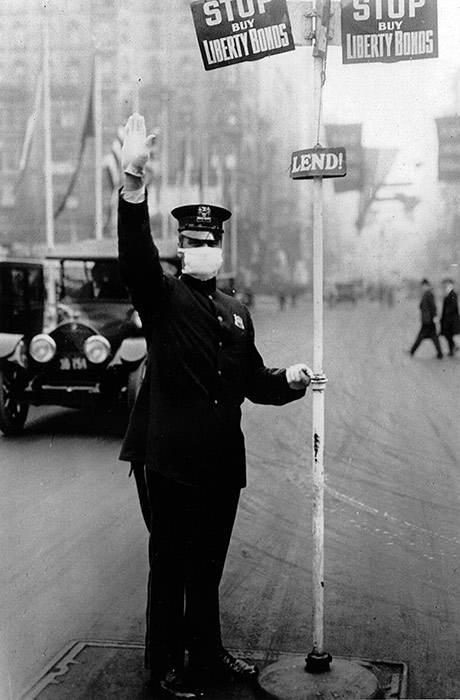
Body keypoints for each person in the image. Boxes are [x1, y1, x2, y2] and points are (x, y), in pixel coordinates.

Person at [118, 114, 313, 698]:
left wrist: (291, 379)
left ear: (221, 248)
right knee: (170, 567)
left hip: (221, 463)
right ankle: (167, 663)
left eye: (211, 242)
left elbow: (252, 379)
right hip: (171, 462)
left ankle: (208, 651)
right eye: (193, 242)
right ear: (180, 247)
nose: (202, 249)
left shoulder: (235, 309)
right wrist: (133, 181)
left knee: (208, 568)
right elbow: (133, 255)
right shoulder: (164, 297)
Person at [408, 278, 443, 359]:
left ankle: (412, 351)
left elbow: (433, 307)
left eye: (424, 286)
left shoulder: (428, 294)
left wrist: (434, 316)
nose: (422, 287)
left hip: (428, 320)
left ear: (427, 285)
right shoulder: (426, 294)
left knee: (421, 337)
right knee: (434, 337)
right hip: (427, 319)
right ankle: (440, 353)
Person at [440, 278, 460, 356]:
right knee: (448, 335)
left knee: (449, 334)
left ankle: (454, 349)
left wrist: (447, 315)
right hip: (448, 319)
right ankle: (453, 349)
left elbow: (452, 307)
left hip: (451, 320)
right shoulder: (448, 293)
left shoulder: (452, 293)